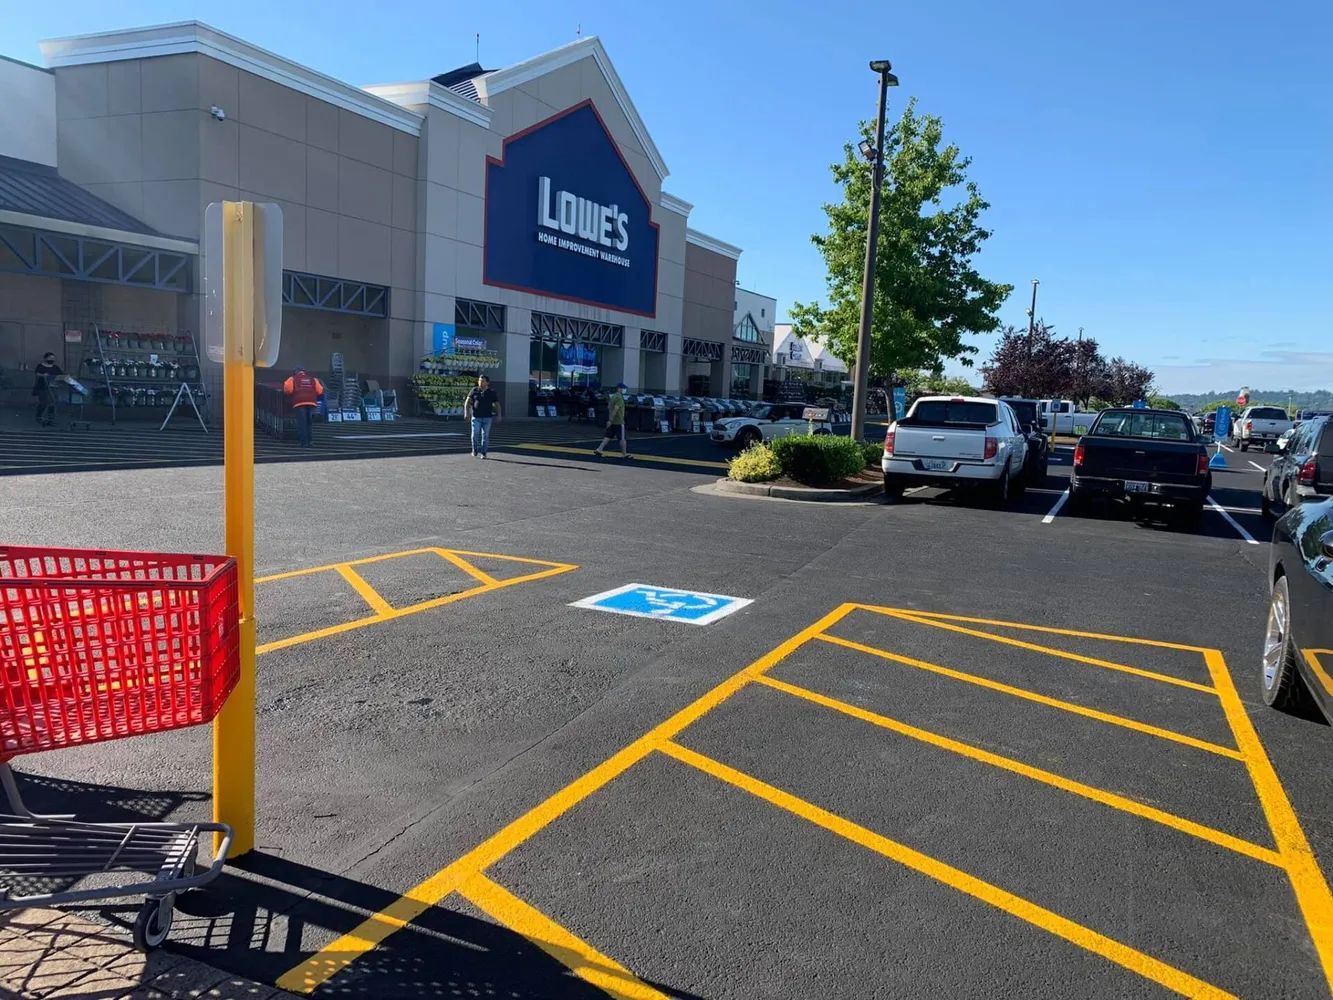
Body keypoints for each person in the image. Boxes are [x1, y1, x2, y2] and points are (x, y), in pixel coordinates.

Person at [282, 366, 325, 448]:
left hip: (299, 402)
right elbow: (320, 391)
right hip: (311, 403)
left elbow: (288, 389)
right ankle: (310, 441)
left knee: (302, 423)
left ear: (295, 372)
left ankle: (303, 443)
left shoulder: (292, 378)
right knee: (309, 423)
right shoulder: (313, 379)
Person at [463, 373, 500, 458]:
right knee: (474, 434)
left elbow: (497, 404)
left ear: (487, 383)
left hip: (487, 417)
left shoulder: (491, 392)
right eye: (479, 381)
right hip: (476, 417)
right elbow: (467, 402)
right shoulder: (474, 390)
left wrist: (499, 415)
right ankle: (475, 449)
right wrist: (466, 412)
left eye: (482, 381)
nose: (480, 382)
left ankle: (484, 452)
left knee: (485, 435)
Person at [594, 382, 630, 459]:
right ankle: (625, 453)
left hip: (613, 421)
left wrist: (610, 420)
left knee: (608, 436)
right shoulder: (619, 398)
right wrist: (610, 420)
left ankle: (599, 449)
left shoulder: (613, 396)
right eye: (623, 388)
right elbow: (616, 409)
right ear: (619, 389)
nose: (624, 390)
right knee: (622, 438)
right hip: (619, 421)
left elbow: (609, 408)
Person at [31, 352, 62, 427]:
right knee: (43, 402)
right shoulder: (40, 366)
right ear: (45, 358)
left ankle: (51, 419)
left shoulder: (56, 367)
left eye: (53, 358)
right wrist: (43, 375)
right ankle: (39, 416)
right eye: (50, 358)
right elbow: (37, 374)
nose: (52, 360)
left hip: (53, 387)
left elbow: (61, 375)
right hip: (42, 387)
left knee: (52, 403)